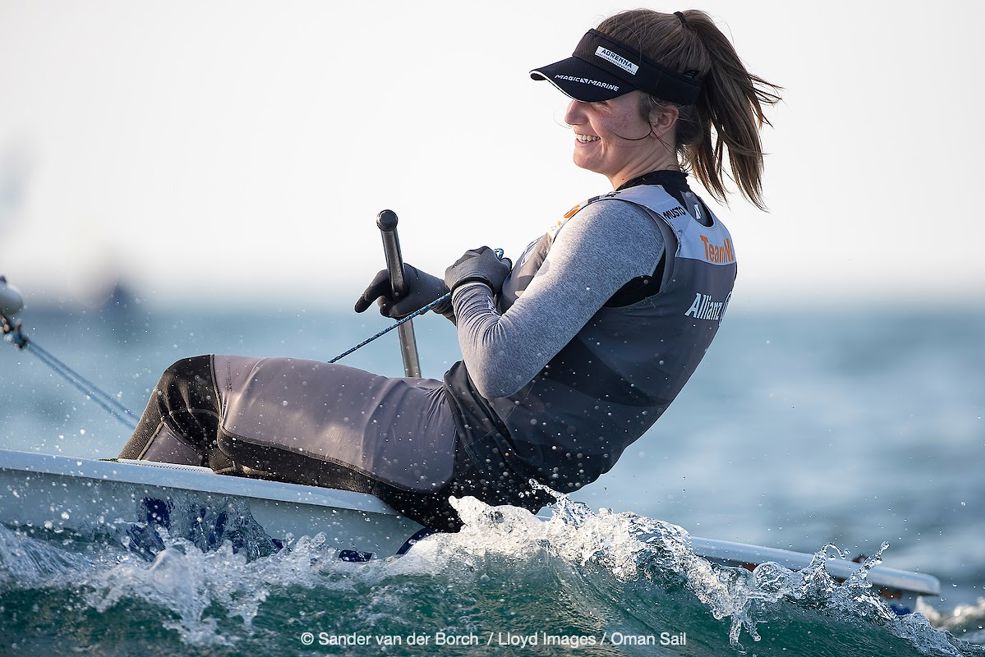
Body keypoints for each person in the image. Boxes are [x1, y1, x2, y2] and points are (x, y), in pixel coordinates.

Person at [118, 9, 781, 532]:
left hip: (448, 447)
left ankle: (93, 541)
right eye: (572, 92)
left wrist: (468, 279)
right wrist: (441, 295)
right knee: (248, 448)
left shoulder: (619, 223)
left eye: (596, 97)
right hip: (507, 483)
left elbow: (500, 365)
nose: (570, 112)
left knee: (192, 393)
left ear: (662, 117)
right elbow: (578, 345)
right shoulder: (701, 235)